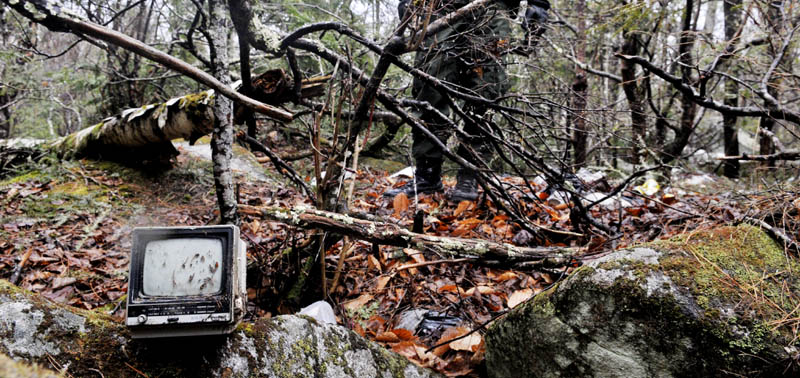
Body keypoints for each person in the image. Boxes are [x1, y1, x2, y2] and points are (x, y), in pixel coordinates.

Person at [385, 0, 550, 202]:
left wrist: (538, 3)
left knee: (485, 92)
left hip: (493, 8)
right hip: (438, 7)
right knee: (429, 88)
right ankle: (426, 175)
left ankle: (470, 174)